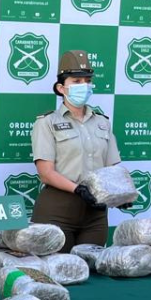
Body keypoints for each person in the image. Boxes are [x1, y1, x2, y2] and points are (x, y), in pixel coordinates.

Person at [31, 50, 124, 252]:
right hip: (58, 211)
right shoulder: (47, 122)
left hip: (95, 214)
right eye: (77, 81)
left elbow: (113, 168)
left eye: (88, 81)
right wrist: (78, 189)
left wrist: (121, 194)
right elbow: (46, 173)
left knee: (91, 267)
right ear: (61, 88)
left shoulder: (102, 122)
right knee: (59, 268)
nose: (84, 85)